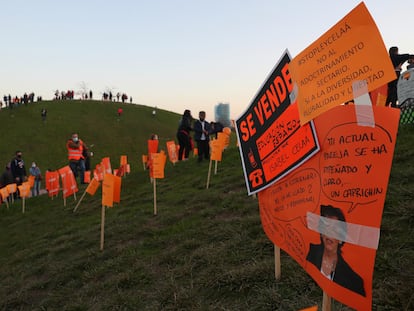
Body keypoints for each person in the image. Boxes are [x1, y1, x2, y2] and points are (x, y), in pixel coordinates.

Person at [306, 204, 366, 297]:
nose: (330, 234)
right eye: (326, 228)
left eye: (335, 230)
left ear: (341, 238)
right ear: (321, 233)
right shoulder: (310, 253)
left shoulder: (353, 280)